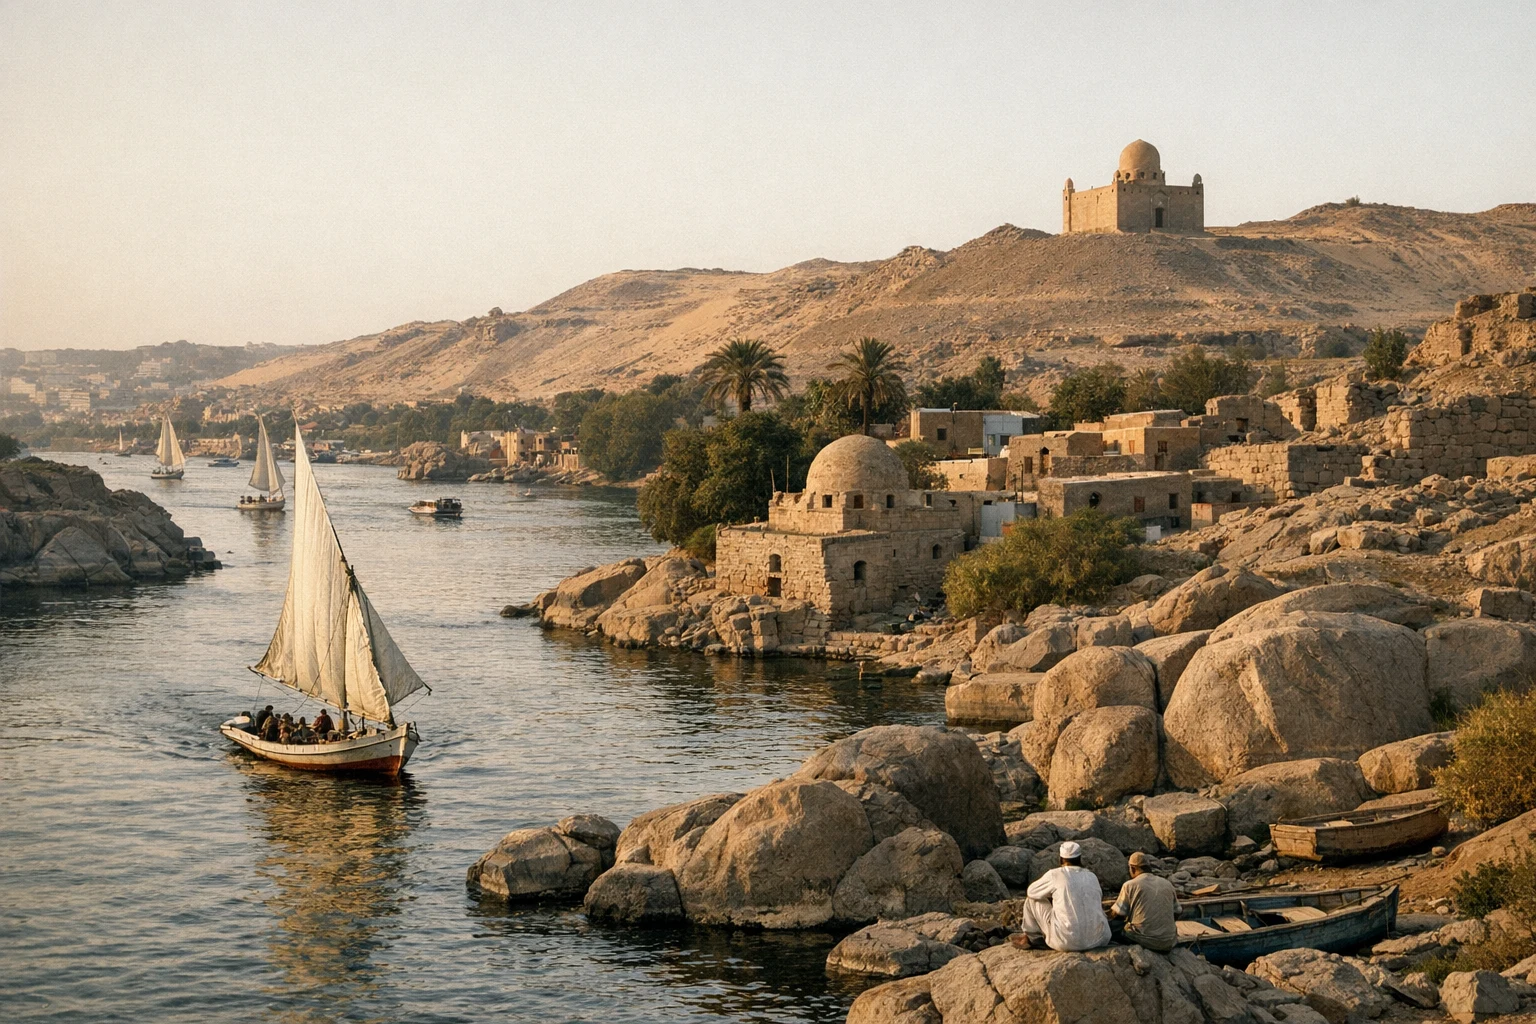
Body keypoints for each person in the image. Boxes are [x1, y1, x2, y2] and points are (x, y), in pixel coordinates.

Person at [1012, 841, 1112, 951]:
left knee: (1032, 900)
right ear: (1079, 859)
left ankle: (1033, 938)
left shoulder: (1055, 874)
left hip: (1066, 942)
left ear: (1060, 859)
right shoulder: (1092, 876)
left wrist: (1051, 895)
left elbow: (1031, 891)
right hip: (1100, 939)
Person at [1110, 851, 1180, 952]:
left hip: (1146, 940)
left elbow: (1118, 915)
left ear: (1132, 868)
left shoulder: (1130, 885)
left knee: (1113, 927)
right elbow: (1178, 912)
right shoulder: (1167, 883)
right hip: (1168, 941)